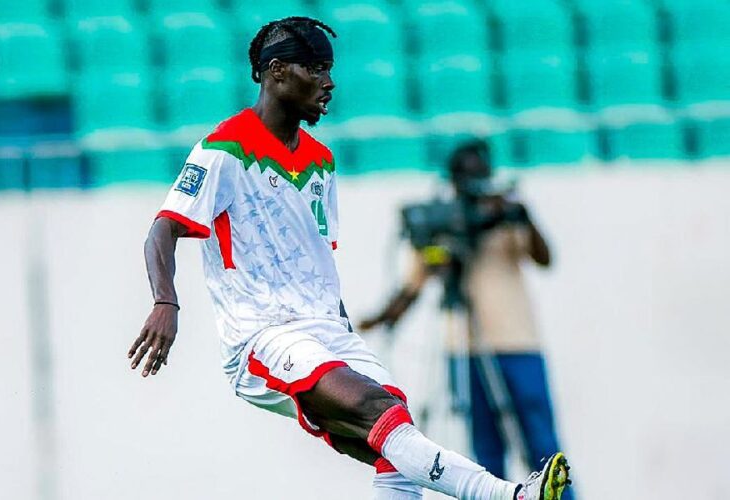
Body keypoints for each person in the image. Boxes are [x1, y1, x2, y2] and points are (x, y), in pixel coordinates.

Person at [127, 17, 570, 500]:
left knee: (397, 445)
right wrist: (165, 302)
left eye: (329, 69)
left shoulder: (321, 161)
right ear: (277, 71)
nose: (329, 82)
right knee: (382, 417)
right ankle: (510, 496)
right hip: (263, 334)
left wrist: (345, 333)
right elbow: (163, 228)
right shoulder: (223, 150)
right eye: (316, 68)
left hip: (328, 331)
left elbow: (318, 261)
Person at [360, 140, 574, 500]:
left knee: (542, 446)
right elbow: (411, 287)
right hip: (464, 349)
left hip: (518, 344)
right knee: (485, 453)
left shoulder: (504, 214)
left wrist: (519, 215)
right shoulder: (444, 223)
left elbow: (543, 257)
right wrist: (379, 319)